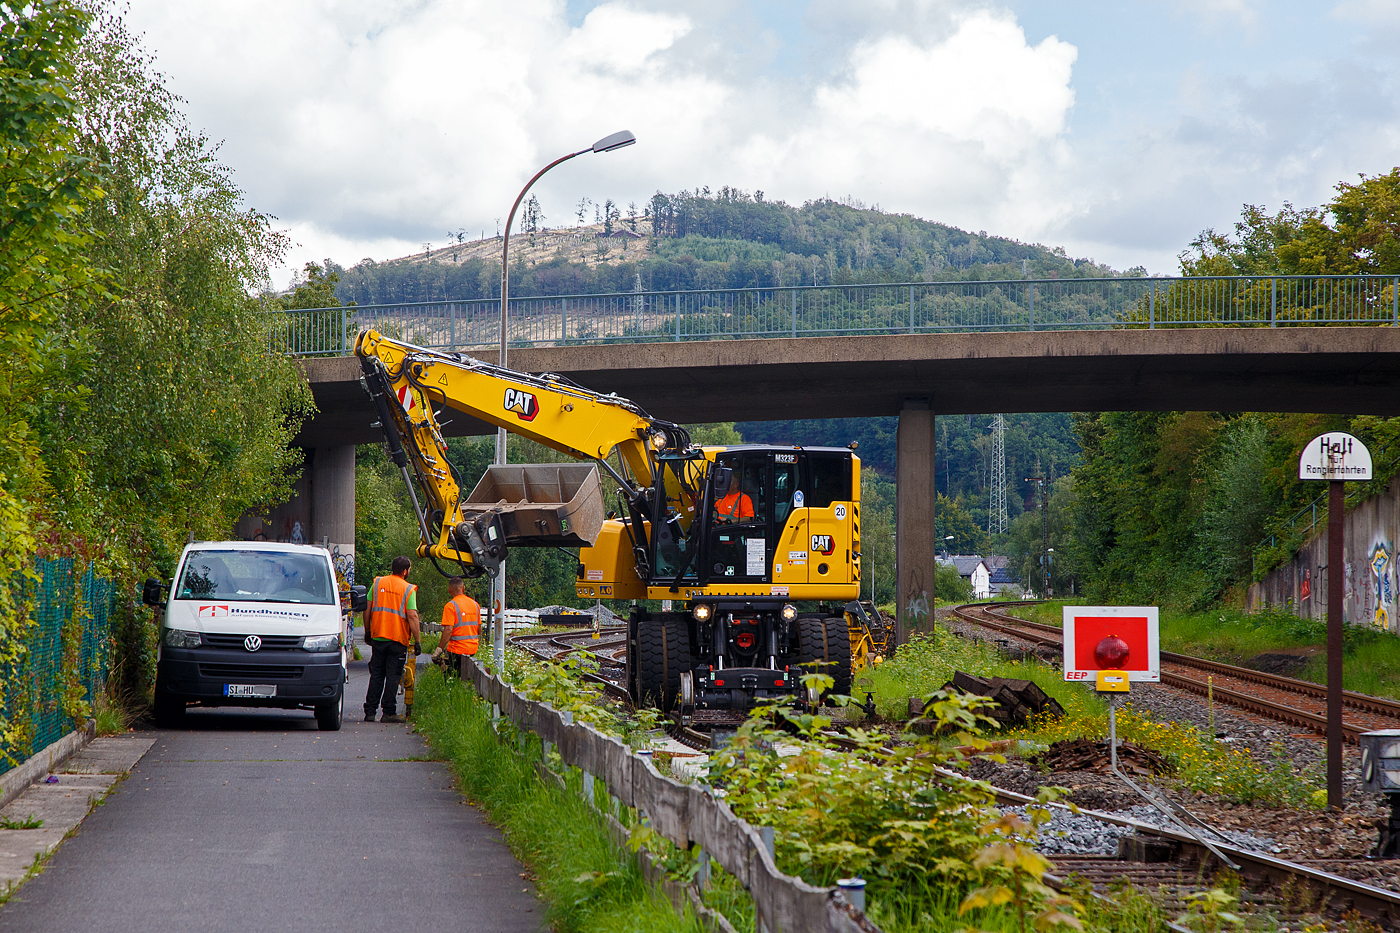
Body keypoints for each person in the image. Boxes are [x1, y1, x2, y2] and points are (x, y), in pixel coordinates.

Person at [363, 555, 421, 723]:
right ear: (405, 571)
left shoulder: (378, 583)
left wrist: (368, 630)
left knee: (377, 674)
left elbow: (367, 608)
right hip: (397, 639)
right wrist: (417, 641)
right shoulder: (408, 589)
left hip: (378, 636)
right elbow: (412, 616)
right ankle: (388, 712)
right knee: (393, 676)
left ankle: (370, 711)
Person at [435, 576, 480, 676]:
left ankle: (449, 679)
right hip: (473, 648)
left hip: (457, 649)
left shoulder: (451, 606)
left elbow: (448, 630)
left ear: (449, 590)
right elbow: (479, 629)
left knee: (446, 667)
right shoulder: (475, 604)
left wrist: (439, 649)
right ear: (463, 588)